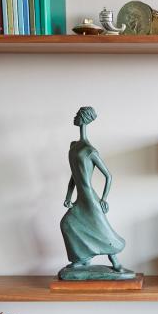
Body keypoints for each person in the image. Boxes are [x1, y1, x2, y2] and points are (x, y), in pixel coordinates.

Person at [58, 106, 132, 280]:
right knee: (67, 224)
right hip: (80, 198)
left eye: (78, 114)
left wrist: (104, 199)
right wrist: (68, 196)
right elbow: (74, 176)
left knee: (101, 229)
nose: (75, 117)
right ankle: (82, 259)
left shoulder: (90, 151)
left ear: (85, 118)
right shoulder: (74, 146)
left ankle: (115, 262)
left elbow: (108, 176)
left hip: (90, 198)